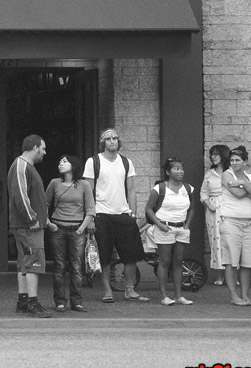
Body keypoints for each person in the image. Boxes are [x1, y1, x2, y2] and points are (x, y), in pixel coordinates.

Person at [83, 128, 147, 303]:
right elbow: (88, 191)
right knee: (104, 254)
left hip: (123, 213)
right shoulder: (93, 161)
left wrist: (133, 213)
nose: (112, 141)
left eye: (115, 138)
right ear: (103, 142)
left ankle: (129, 289)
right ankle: (107, 290)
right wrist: (90, 217)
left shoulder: (126, 162)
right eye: (108, 138)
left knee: (131, 254)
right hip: (101, 213)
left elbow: (131, 189)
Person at [8, 134, 52, 318]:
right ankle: (33, 304)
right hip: (28, 226)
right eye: (42, 148)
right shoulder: (22, 165)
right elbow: (21, 195)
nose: (44, 152)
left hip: (25, 225)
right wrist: (33, 219)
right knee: (34, 262)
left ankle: (23, 301)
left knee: (24, 263)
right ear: (34, 147)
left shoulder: (24, 166)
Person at [44, 154, 95, 312]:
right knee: (59, 266)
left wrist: (82, 228)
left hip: (77, 229)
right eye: (60, 161)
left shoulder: (84, 185)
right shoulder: (54, 183)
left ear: (73, 165)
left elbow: (91, 210)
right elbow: (44, 204)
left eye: (65, 161)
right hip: (58, 228)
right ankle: (60, 301)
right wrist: (48, 223)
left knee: (76, 266)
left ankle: (76, 301)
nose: (61, 163)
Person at [144, 157, 196, 306]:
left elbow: (192, 208)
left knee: (178, 261)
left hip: (181, 228)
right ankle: (164, 296)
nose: (180, 171)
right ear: (168, 172)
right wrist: (159, 224)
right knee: (165, 260)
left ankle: (179, 295)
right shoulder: (159, 189)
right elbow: (148, 209)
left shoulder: (188, 188)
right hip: (165, 227)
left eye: (181, 168)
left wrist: (187, 225)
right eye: (176, 168)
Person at [220, 146, 251, 306]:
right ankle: (234, 295)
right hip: (231, 221)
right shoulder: (226, 175)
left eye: (238, 160)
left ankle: (245, 295)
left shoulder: (249, 176)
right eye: (232, 160)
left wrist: (242, 183)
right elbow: (237, 194)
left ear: (245, 161)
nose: (234, 162)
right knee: (231, 260)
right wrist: (250, 185)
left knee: (247, 262)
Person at [200, 144, 230, 286]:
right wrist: (207, 202)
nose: (213, 157)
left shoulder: (230, 172)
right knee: (216, 241)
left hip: (229, 207)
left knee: (230, 240)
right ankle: (219, 275)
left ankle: (232, 275)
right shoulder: (209, 174)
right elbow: (203, 192)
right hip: (213, 209)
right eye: (212, 154)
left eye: (216, 154)